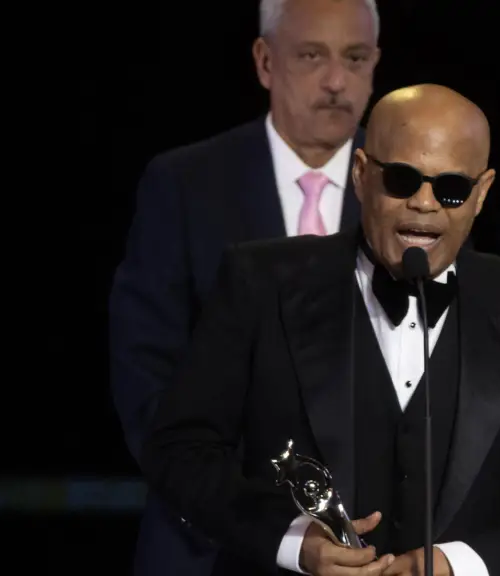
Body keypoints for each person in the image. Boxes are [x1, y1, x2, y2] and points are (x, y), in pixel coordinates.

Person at [140, 84, 500, 576]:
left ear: (482, 193)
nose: (424, 204)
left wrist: (457, 563)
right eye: (403, 180)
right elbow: (181, 450)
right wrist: (292, 541)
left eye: (451, 188)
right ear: (362, 174)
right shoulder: (260, 284)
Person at [109, 1, 380, 574]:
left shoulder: (406, 193)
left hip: (371, 544)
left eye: (355, 58)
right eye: (312, 56)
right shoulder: (183, 185)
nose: (337, 80)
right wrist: (262, 524)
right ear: (265, 61)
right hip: (208, 544)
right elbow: (146, 376)